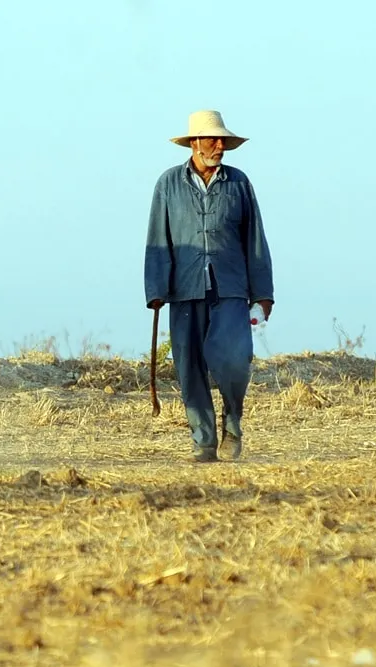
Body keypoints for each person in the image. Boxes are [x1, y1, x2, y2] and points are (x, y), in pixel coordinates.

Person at [144, 110, 274, 462]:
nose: (219, 146)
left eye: (222, 141)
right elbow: (159, 238)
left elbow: (255, 239)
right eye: (213, 140)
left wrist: (263, 294)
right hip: (184, 289)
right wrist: (155, 288)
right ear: (194, 143)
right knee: (189, 366)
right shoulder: (168, 184)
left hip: (231, 286)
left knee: (233, 360)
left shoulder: (239, 183)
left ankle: (233, 424)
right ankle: (203, 442)